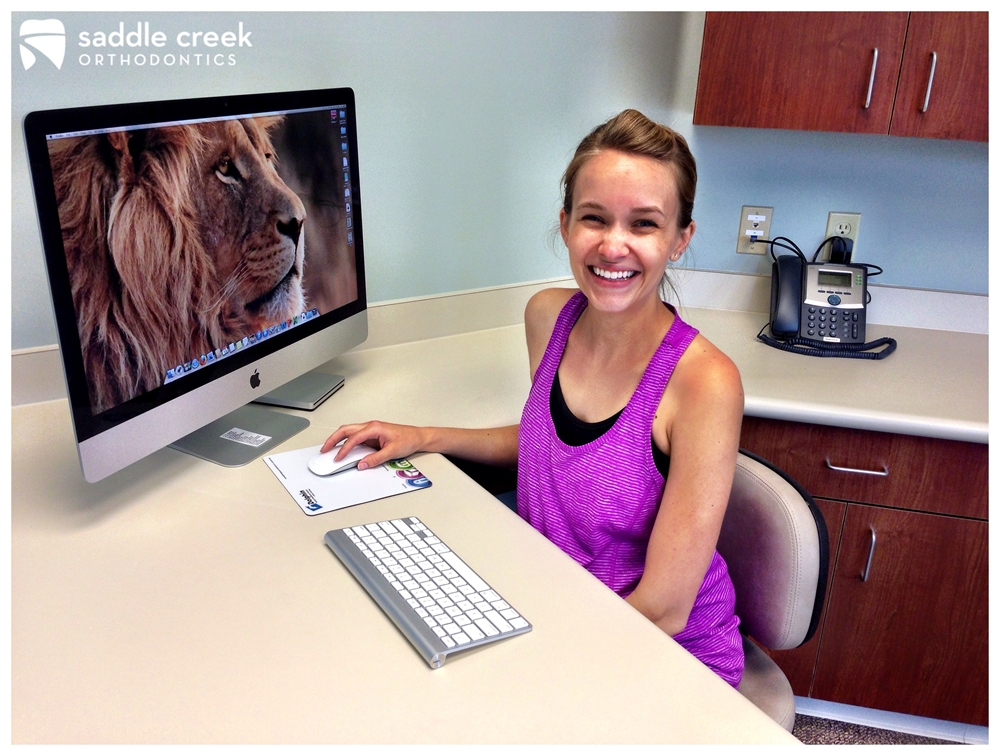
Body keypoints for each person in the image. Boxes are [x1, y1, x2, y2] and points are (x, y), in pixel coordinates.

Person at [320, 109, 745, 688]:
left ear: (679, 240)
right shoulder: (549, 316)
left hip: (662, 653)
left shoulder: (703, 383)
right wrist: (424, 437)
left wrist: (529, 655)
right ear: (566, 224)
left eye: (644, 224)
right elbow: (553, 451)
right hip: (555, 603)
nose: (613, 245)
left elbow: (664, 610)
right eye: (594, 218)